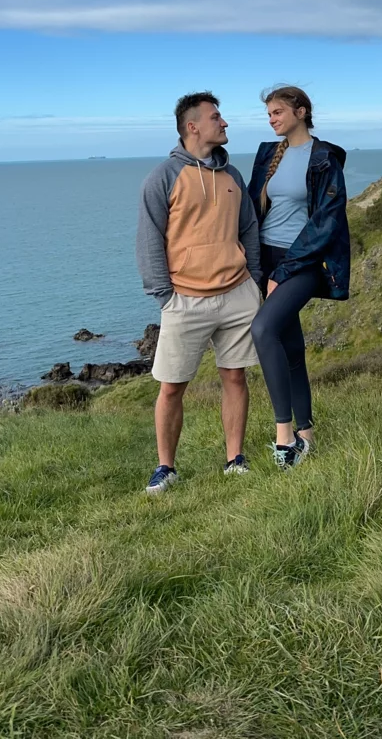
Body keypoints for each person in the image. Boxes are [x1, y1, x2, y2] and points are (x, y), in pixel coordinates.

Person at [136, 92, 262, 493]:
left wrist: (254, 282)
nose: (224, 124)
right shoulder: (163, 177)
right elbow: (149, 239)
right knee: (172, 386)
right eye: (216, 117)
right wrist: (165, 295)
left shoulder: (233, 177)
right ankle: (166, 468)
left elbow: (249, 230)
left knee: (235, 377)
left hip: (237, 293)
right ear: (193, 127)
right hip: (185, 298)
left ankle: (235, 459)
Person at [248, 86, 350, 468]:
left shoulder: (323, 158)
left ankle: (283, 435)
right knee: (290, 349)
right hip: (267, 258)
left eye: (277, 112)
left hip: (302, 261)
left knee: (263, 330)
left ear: (301, 112)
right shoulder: (269, 154)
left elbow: (327, 222)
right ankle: (306, 435)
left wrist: (287, 269)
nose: (271, 118)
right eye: (269, 114)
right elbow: (251, 209)